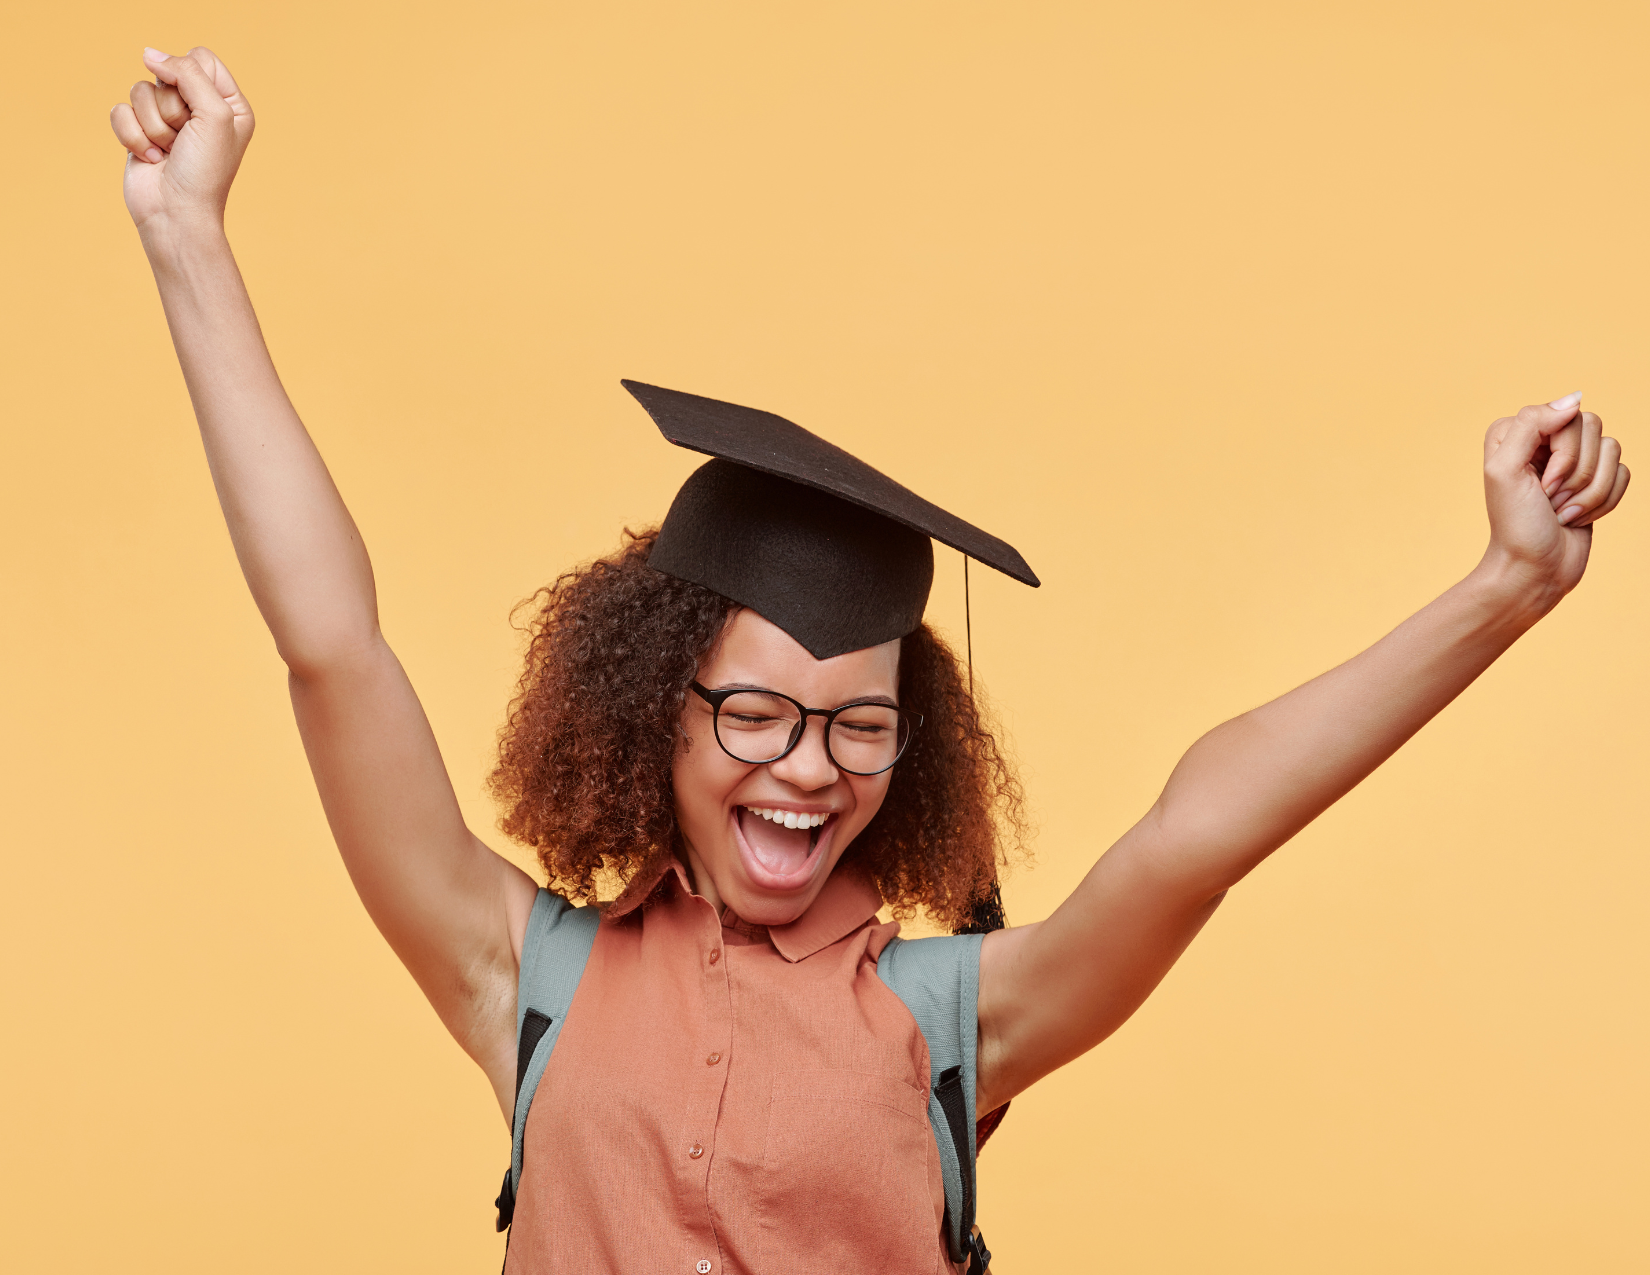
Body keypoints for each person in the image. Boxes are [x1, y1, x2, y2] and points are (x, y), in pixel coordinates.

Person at [110, 46, 1631, 1275]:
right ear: (657, 712)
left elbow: (1195, 837)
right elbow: (332, 650)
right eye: (757, 712)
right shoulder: (532, 978)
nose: (807, 766)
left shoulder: (954, 1021)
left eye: (859, 725)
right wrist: (187, 239)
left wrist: (1501, 588)